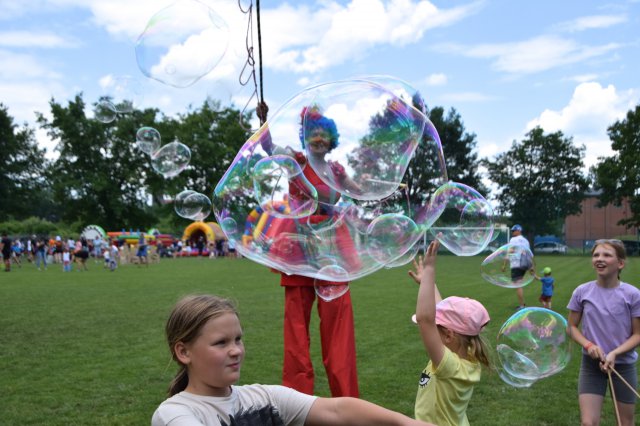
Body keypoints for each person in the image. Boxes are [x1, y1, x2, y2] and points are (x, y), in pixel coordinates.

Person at [151, 294, 435, 426]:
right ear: (183, 352)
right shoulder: (176, 413)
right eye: (221, 343)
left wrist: (406, 424)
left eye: (238, 339)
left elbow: (337, 410)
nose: (236, 350)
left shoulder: (261, 397)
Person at [268, 106, 360, 398]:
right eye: (314, 134)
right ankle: (296, 399)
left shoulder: (336, 171)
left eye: (324, 135)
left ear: (332, 139)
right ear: (306, 136)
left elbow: (359, 190)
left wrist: (385, 189)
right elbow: (267, 147)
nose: (319, 139)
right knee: (295, 330)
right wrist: (264, 121)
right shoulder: (295, 161)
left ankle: (345, 399)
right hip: (299, 247)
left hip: (332, 250)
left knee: (339, 329)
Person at [409, 240, 491, 426]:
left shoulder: (449, 365)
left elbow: (425, 319)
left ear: (448, 335)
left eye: (437, 327)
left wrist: (430, 270)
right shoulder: (468, 356)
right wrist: (427, 283)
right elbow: (439, 309)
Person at [566, 239, 640, 426]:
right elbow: (571, 327)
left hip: (622, 365)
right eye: (596, 255)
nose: (600, 259)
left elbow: (638, 335)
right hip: (591, 365)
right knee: (588, 423)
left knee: (625, 422)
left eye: (607, 255)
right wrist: (588, 345)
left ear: (620, 263)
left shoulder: (632, 295)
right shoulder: (582, 292)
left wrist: (615, 353)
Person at [503, 224, 533, 310]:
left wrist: (504, 264)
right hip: (524, 264)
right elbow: (529, 254)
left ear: (519, 230)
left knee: (518, 285)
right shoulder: (526, 241)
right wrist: (531, 267)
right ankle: (522, 304)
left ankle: (522, 305)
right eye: (512, 230)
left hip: (516, 264)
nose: (512, 232)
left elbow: (510, 251)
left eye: (514, 230)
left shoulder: (513, 239)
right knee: (519, 284)